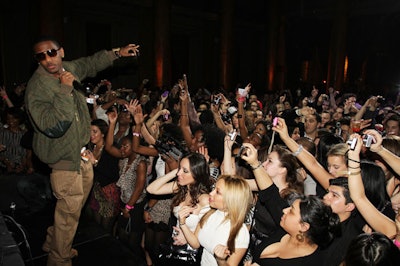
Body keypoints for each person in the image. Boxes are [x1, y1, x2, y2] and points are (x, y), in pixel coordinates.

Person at [24, 35, 139, 266]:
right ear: (37, 60)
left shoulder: (65, 69)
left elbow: (89, 64)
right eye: (41, 56)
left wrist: (117, 52)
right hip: (63, 160)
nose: (48, 59)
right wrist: (65, 91)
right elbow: (54, 126)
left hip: (80, 154)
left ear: (61, 52)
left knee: (71, 211)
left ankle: (53, 241)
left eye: (51, 53)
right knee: (68, 214)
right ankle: (59, 259)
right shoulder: (38, 88)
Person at [240, 143, 340, 266]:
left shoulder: (310, 262)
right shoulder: (286, 229)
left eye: (292, 210)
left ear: (304, 227)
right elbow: (270, 194)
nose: (285, 210)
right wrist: (255, 163)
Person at [146, 152, 213, 266]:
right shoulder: (181, 188)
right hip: (173, 246)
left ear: (197, 174)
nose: (179, 173)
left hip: (188, 254)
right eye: (180, 168)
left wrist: (185, 231)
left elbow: (199, 240)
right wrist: (175, 172)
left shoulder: (205, 200)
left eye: (185, 171)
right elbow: (151, 189)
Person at [178, 175, 253, 265]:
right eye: (214, 189)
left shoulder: (240, 232)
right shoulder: (209, 213)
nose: (211, 193)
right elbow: (196, 243)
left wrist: (220, 260)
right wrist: (182, 223)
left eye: (217, 192)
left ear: (231, 199)